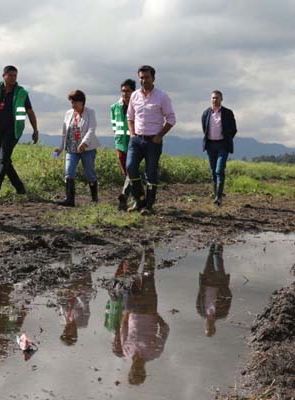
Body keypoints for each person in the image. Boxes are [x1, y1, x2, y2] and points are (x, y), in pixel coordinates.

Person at [126, 65, 176, 214]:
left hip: (153, 141)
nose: (144, 80)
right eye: (141, 77)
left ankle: (148, 205)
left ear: (153, 78)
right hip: (136, 139)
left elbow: (171, 118)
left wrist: (159, 136)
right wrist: (132, 133)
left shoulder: (162, 96)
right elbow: (130, 116)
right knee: (130, 167)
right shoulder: (134, 95)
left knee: (150, 172)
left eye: (146, 77)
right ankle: (139, 199)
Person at [0, 65, 39, 198]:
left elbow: (30, 112)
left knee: (3, 158)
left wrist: (35, 129)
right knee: (4, 159)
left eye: (15, 76)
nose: (13, 78)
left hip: (14, 129)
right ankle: (20, 189)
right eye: (10, 75)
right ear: (4, 76)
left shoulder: (22, 93)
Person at [120, 248, 169, 385]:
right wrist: (156, 314)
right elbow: (165, 330)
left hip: (132, 308)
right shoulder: (154, 353)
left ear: (130, 370)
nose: (138, 370)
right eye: (140, 373)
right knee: (148, 275)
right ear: (144, 372)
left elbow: (123, 328)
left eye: (134, 372)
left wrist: (126, 312)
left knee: (130, 277)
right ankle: (149, 247)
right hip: (149, 306)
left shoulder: (126, 351)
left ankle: (136, 247)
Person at [54, 90, 98, 207]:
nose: (73, 105)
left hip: (87, 149)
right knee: (69, 171)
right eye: (71, 102)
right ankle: (69, 199)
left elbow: (91, 129)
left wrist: (84, 143)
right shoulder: (68, 113)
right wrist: (60, 147)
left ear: (82, 102)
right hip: (71, 148)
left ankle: (94, 198)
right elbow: (65, 133)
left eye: (75, 102)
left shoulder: (90, 113)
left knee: (89, 172)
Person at [201, 90, 237, 206]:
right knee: (213, 172)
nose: (214, 100)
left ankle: (219, 197)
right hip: (210, 145)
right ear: (210, 99)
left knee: (219, 170)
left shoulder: (227, 113)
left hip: (223, 145)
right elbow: (204, 129)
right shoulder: (206, 113)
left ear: (221, 99)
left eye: (217, 98)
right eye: (213, 98)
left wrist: (227, 140)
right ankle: (216, 195)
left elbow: (234, 129)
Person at [196, 243, 232, 337]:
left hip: (207, 281)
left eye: (207, 328)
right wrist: (224, 286)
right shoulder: (222, 314)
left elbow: (199, 294)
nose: (208, 326)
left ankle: (213, 241)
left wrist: (201, 282)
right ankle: (220, 241)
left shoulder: (201, 311)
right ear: (214, 327)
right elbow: (229, 298)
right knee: (217, 258)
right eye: (210, 329)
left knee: (210, 256)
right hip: (219, 282)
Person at [112, 79, 136, 211]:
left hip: (134, 142)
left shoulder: (137, 106)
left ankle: (124, 195)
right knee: (127, 173)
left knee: (131, 170)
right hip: (120, 144)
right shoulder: (114, 107)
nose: (125, 94)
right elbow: (114, 125)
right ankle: (134, 198)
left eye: (128, 91)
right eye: (123, 91)